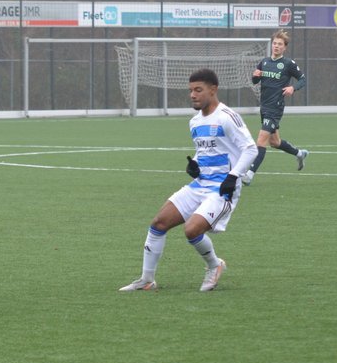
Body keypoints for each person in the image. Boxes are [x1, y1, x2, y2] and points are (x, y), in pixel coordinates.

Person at [120, 68, 257, 294]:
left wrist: (234, 176)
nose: (193, 95)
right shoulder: (194, 122)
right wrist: (194, 164)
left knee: (192, 229)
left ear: (213, 90)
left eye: (198, 90)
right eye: (191, 90)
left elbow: (250, 149)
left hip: (222, 188)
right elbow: (205, 152)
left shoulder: (227, 117)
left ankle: (214, 265)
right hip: (201, 184)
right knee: (159, 223)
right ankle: (146, 280)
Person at [243, 29, 306, 184]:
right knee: (275, 142)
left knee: (261, 140)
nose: (276, 46)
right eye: (275, 43)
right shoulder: (264, 62)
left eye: (280, 44)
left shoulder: (288, 64)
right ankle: (299, 154)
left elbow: (302, 79)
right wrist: (255, 76)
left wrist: (293, 88)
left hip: (275, 107)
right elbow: (255, 81)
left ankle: (249, 174)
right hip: (264, 106)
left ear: (285, 47)